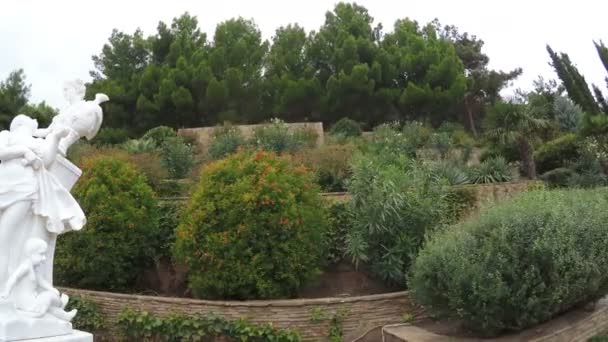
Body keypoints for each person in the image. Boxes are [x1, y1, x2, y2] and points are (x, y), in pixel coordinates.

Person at [0, 115, 85, 285]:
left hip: (25, 190)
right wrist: (24, 152)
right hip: (4, 185)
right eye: (32, 121)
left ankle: (4, 287)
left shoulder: (38, 143)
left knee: (6, 237)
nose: (36, 123)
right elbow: (1, 153)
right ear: (21, 123)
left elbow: (46, 161)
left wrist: (55, 137)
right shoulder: (6, 135)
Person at [0, 238, 76, 321]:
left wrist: (51, 289)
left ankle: (65, 315)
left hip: (34, 299)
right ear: (30, 254)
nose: (44, 258)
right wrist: (6, 292)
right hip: (27, 302)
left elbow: (41, 281)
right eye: (41, 254)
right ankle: (60, 304)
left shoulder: (35, 268)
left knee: (50, 302)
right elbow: (13, 278)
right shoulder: (25, 266)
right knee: (48, 296)